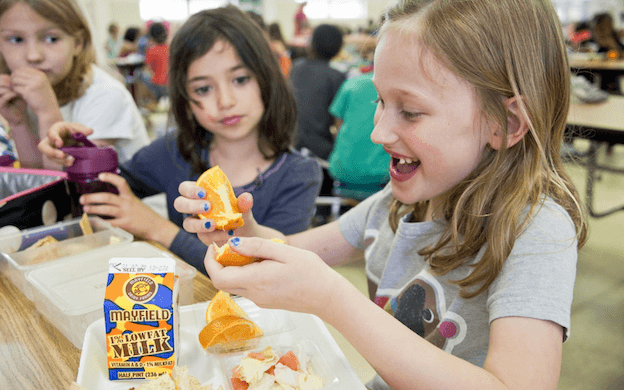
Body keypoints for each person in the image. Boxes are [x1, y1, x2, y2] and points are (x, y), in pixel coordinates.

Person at [174, 0, 589, 389]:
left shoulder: (538, 231)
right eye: (380, 100)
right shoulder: (399, 200)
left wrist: (335, 301)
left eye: (409, 112)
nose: (378, 133)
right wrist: (244, 233)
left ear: (507, 123)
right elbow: (296, 251)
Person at [39, 6, 322, 276]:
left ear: (267, 78)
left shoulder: (299, 174)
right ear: (185, 100)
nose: (225, 101)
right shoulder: (174, 150)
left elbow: (261, 274)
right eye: (203, 88)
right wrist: (78, 157)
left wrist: (158, 229)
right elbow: (101, 196)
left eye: (240, 79)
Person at [0, 0, 149, 169]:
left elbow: (69, 187)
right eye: (16, 39)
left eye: (52, 39)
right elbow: (36, 181)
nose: (33, 56)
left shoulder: (105, 94)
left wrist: (47, 114)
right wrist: (19, 124)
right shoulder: (26, 92)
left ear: (78, 43)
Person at [328, 70, 389, 201]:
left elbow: (337, 126)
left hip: (343, 171)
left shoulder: (351, 84)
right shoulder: (397, 89)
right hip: (382, 176)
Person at [137, 21, 169, 107]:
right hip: (170, 85)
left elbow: (148, 68)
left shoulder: (151, 50)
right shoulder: (170, 48)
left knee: (139, 74)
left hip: (157, 86)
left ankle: (145, 102)